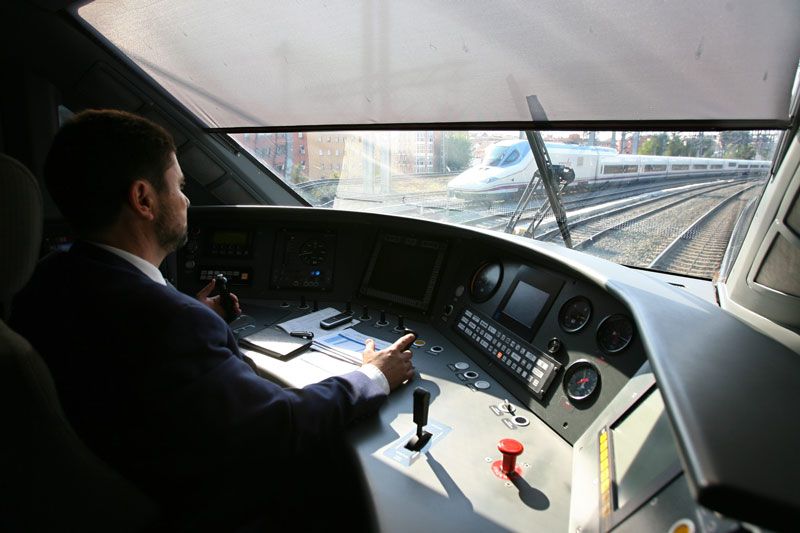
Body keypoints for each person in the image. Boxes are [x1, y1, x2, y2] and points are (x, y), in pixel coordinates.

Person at [10, 109, 415, 531]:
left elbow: (121, 344)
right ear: (144, 199)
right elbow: (280, 425)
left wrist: (187, 314)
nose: (185, 200)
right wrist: (373, 377)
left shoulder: (44, 282)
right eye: (179, 186)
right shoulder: (170, 323)